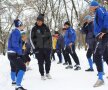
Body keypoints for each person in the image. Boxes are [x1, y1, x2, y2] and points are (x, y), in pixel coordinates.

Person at [90, 1, 108, 87]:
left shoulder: (100, 10)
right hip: (100, 35)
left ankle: (100, 78)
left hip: (103, 35)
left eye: (91, 6)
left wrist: (104, 30)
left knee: (97, 55)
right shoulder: (97, 12)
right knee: (105, 55)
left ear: (94, 6)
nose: (90, 8)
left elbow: (106, 16)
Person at [30, 14, 52, 80]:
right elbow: (31, 39)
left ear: (42, 21)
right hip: (38, 49)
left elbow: (50, 38)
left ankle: (47, 73)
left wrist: (50, 47)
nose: (38, 22)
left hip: (47, 48)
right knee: (40, 62)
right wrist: (35, 49)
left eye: (40, 21)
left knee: (48, 61)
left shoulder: (46, 28)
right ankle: (42, 75)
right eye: (37, 21)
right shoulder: (34, 28)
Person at [7, 19, 27, 90]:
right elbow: (15, 44)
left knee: (13, 67)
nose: (23, 26)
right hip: (14, 53)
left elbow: (15, 43)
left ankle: (14, 81)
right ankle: (18, 86)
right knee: (23, 67)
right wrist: (20, 54)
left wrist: (22, 42)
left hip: (10, 53)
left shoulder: (13, 32)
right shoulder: (16, 32)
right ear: (19, 25)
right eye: (22, 25)